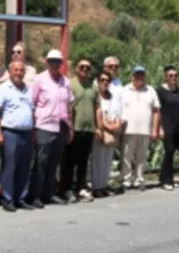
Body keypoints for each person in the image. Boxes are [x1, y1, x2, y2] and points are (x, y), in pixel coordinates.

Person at [28, 49, 74, 206]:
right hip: (44, 125)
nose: (55, 64)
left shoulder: (65, 81)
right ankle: (35, 195)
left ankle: (49, 194)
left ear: (61, 64)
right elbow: (31, 104)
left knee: (54, 162)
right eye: (52, 61)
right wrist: (33, 128)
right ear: (46, 62)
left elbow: (69, 106)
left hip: (61, 126)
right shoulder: (39, 80)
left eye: (58, 62)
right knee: (41, 162)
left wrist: (71, 129)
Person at [0, 60, 36, 212]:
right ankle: (7, 199)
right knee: (9, 167)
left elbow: (32, 112)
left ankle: (21, 198)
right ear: (10, 72)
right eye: (15, 70)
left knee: (24, 167)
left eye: (21, 70)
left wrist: (33, 133)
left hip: (27, 133)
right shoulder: (3, 89)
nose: (18, 73)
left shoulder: (29, 90)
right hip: (10, 133)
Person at [59, 59, 97, 202]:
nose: (85, 69)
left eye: (88, 67)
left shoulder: (93, 86)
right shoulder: (70, 84)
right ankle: (66, 189)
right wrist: (68, 127)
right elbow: (66, 106)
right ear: (76, 68)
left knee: (83, 160)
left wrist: (97, 126)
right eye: (82, 67)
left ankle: (81, 187)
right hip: (74, 128)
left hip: (88, 129)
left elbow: (96, 107)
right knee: (69, 161)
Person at [119, 65, 161, 192]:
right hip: (128, 129)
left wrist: (155, 129)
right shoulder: (124, 90)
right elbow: (118, 109)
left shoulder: (150, 90)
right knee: (126, 156)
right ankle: (126, 180)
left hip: (145, 130)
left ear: (145, 77)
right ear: (132, 76)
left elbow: (156, 110)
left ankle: (139, 179)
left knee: (142, 157)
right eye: (137, 75)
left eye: (142, 75)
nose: (139, 77)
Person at [157, 65, 179, 191]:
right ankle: (166, 181)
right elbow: (157, 111)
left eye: (175, 75)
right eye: (170, 75)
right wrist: (159, 127)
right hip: (167, 127)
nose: (173, 78)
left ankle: (166, 177)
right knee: (169, 151)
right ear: (165, 77)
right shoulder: (160, 91)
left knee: (173, 152)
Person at [92, 70, 122, 197]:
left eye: (107, 80)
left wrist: (116, 125)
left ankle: (104, 185)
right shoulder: (95, 96)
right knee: (98, 160)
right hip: (100, 131)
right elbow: (97, 114)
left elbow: (117, 113)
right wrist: (108, 127)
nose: (105, 82)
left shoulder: (112, 97)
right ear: (98, 81)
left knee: (107, 160)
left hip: (111, 132)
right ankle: (96, 187)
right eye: (102, 80)